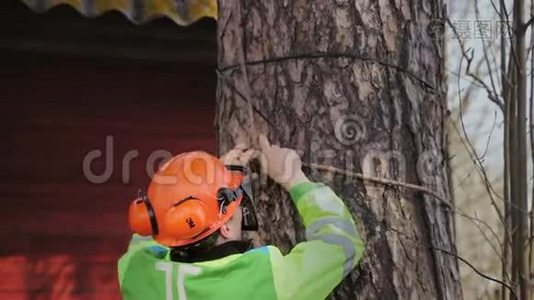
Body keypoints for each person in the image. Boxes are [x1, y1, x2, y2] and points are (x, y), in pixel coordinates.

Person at [118, 135, 365, 300]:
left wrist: (212, 180)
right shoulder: (265, 281)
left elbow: (153, 230)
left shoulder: (136, 274)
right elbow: (341, 243)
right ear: (225, 228)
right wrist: (294, 179)